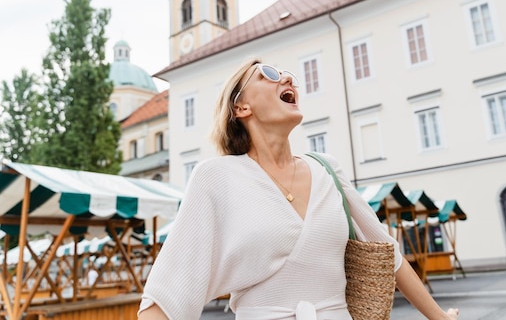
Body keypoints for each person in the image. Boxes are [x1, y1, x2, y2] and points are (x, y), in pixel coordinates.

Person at [137, 58, 460, 320]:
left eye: (290, 76)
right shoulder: (216, 176)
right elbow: (171, 287)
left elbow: (387, 253)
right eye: (269, 74)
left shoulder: (326, 169)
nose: (288, 80)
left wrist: (439, 318)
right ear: (241, 108)